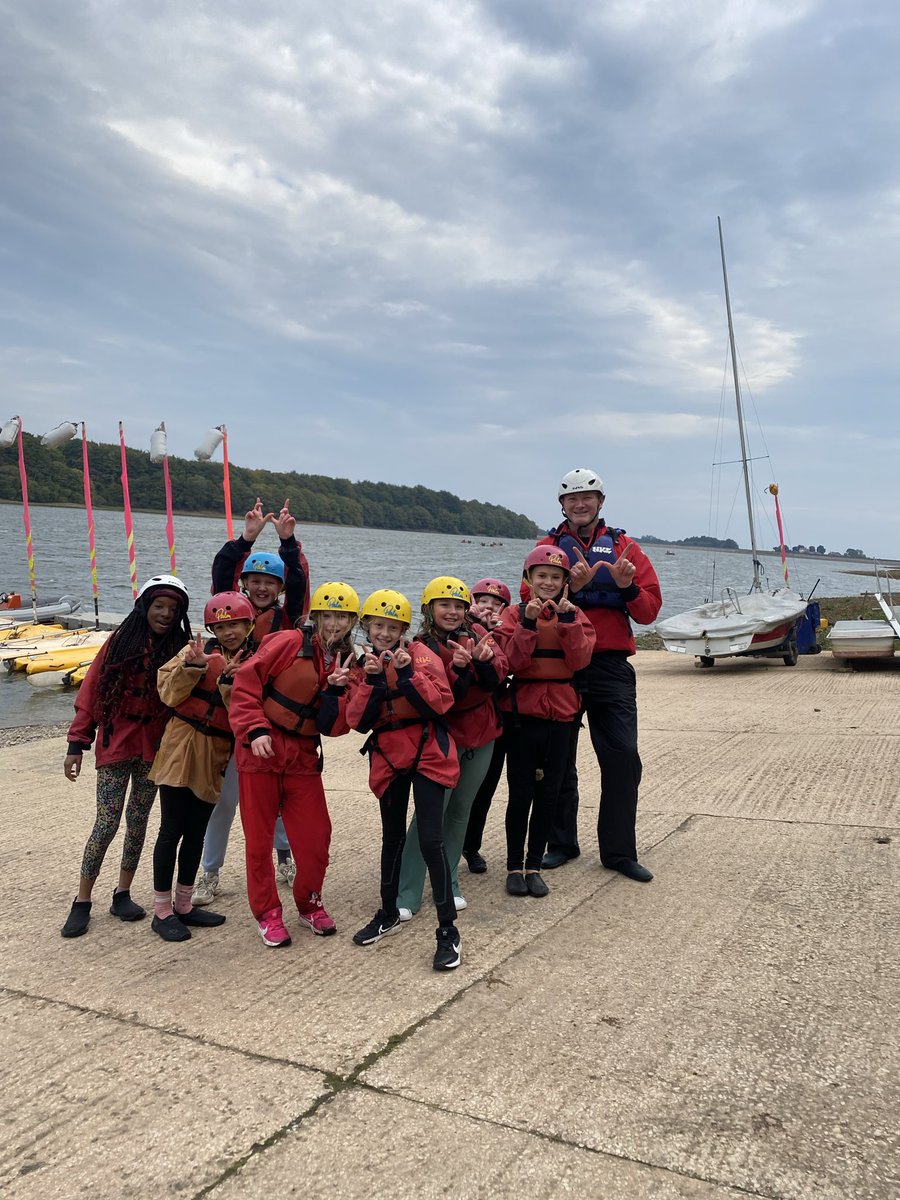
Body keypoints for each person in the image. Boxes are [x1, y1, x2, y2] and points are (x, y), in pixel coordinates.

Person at [537, 468, 662, 882]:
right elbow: (530, 603)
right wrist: (571, 591)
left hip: (610, 665)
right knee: (557, 759)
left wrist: (625, 588)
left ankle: (619, 852)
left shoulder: (626, 548)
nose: (580, 504)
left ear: (600, 502)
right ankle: (561, 844)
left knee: (623, 757)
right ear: (562, 506)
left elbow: (648, 612)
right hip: (561, 665)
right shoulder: (548, 549)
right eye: (572, 499)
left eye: (587, 497)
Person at [228, 582, 359, 948]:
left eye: (342, 617)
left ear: (352, 622)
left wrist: (335, 691)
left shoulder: (348, 664)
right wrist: (254, 730)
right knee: (258, 841)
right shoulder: (287, 642)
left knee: (317, 838)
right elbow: (246, 683)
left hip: (302, 756)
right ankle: (268, 913)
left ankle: (309, 902)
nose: (334, 625)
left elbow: (337, 727)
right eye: (327, 616)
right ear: (314, 616)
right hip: (261, 752)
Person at [60, 575, 192, 938]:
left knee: (138, 823)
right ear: (144, 607)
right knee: (106, 824)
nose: (165, 614)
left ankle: (123, 893)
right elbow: (91, 691)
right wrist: (77, 743)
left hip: (154, 750)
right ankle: (82, 900)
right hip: (116, 745)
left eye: (173, 609)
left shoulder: (182, 647)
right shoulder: (118, 644)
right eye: (158, 606)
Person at [346, 589, 462, 971]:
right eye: (377, 625)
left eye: (392, 626)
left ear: (403, 629)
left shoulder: (421, 655)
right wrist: (374, 681)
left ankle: (448, 930)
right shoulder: (361, 664)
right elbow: (357, 720)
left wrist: (408, 672)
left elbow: (440, 703)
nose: (383, 633)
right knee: (392, 838)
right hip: (390, 755)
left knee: (430, 839)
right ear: (367, 626)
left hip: (428, 752)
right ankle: (387, 912)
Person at [199, 498, 306, 901]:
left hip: (272, 722)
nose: (261, 587)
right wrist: (247, 537)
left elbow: (298, 581)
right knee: (223, 803)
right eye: (254, 580)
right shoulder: (230, 613)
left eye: (270, 582)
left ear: (277, 588)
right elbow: (221, 572)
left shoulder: (286, 619)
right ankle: (210, 872)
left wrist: (287, 542)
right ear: (243, 584)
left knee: (276, 802)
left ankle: (285, 858)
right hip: (229, 723)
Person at [395, 576, 507, 921]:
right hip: (442, 737)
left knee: (461, 811)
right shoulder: (419, 646)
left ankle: (450, 880)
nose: (452, 611)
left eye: (459, 606)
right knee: (430, 815)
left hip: (482, 733)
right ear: (429, 608)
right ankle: (408, 888)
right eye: (444, 605)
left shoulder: (479, 638)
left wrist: (486, 660)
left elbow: (500, 673)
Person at [146, 592, 254, 941]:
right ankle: (162, 910)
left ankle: (184, 904)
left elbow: (243, 713)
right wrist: (192, 666)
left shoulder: (253, 662)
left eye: (234, 624)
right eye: (220, 627)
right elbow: (169, 693)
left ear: (248, 625)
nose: (228, 633)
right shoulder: (194, 651)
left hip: (217, 751)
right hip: (182, 745)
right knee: (172, 828)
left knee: (196, 832)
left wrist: (228, 684)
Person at [493, 547, 595, 897]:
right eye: (541, 576)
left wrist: (566, 622)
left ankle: (534, 864)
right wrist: (528, 623)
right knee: (520, 793)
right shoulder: (513, 614)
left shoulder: (576, 615)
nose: (548, 583)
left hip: (562, 716)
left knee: (549, 793)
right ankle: (512, 866)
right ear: (529, 580)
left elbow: (580, 660)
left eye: (555, 577)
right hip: (523, 716)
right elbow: (513, 662)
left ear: (566, 582)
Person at [461, 578, 512, 874]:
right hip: (460, 717)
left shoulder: (506, 631)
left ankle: (471, 846)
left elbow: (511, 664)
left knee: (485, 787)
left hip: (494, 719)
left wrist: (495, 633)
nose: (488, 606)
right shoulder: (458, 624)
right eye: (482, 600)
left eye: (496, 603)